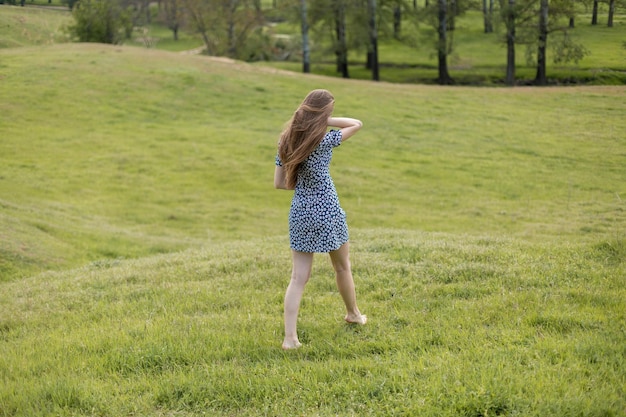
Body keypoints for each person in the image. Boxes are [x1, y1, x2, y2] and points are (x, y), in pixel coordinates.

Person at [274, 89, 367, 350]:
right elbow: (356, 124)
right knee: (342, 267)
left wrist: (306, 121)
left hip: (300, 212)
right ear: (324, 114)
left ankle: (290, 338)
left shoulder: (285, 141)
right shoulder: (324, 140)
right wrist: (323, 121)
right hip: (327, 209)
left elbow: (279, 184)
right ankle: (353, 314)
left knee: (298, 277)